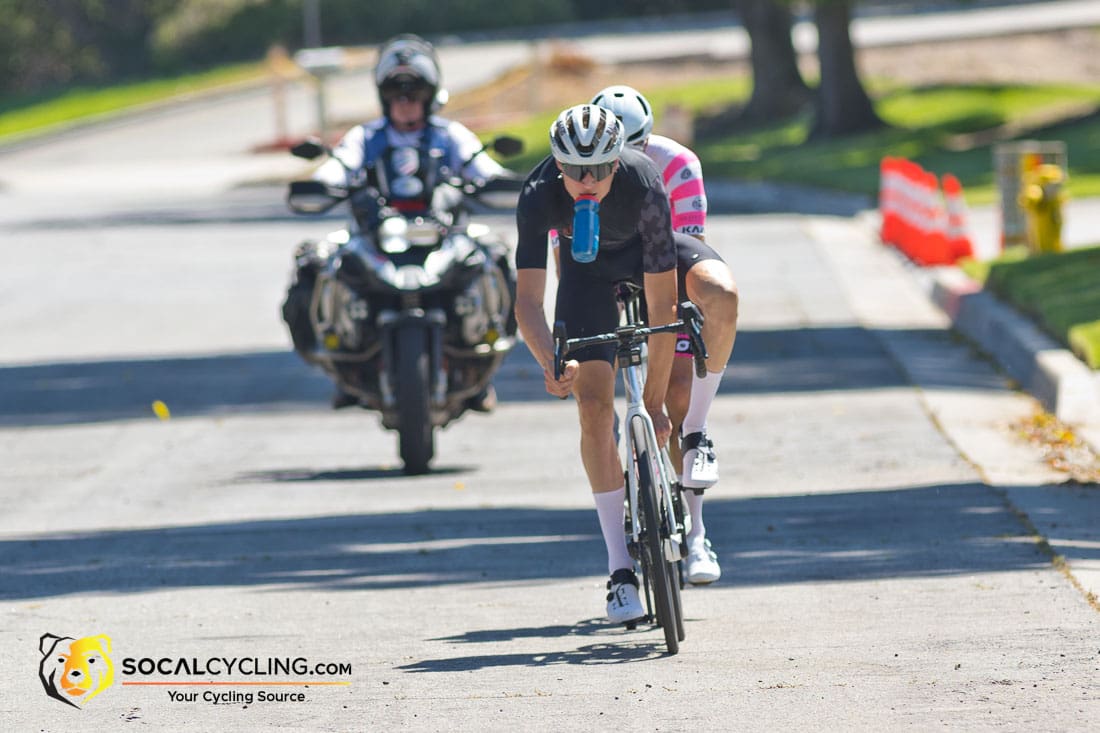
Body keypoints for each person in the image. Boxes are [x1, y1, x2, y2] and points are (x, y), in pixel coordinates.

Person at [514, 104, 735, 625]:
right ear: (556, 164)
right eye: (572, 170)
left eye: (598, 169)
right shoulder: (539, 192)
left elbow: (662, 309)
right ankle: (619, 572)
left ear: (619, 160)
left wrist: (655, 403)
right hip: (586, 277)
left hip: (649, 258)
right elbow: (527, 300)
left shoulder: (642, 180)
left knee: (722, 296)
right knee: (593, 407)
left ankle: (696, 431)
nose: (585, 181)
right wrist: (550, 360)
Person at [283, 33, 510, 411]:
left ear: (430, 95)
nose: (405, 103)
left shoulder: (449, 136)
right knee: (314, 262)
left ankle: (483, 367)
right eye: (397, 93)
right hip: (376, 239)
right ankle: (341, 361)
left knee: (496, 253)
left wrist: (499, 181)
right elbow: (336, 169)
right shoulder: (365, 137)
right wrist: (323, 184)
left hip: (444, 237)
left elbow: (483, 168)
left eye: (414, 92)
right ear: (384, 97)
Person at [588, 85, 739, 587]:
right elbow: (569, 262)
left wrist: (671, 343)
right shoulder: (578, 168)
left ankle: (697, 533)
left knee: (676, 387)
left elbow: (683, 253)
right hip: (607, 270)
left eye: (636, 149)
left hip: (664, 268)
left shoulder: (677, 164)